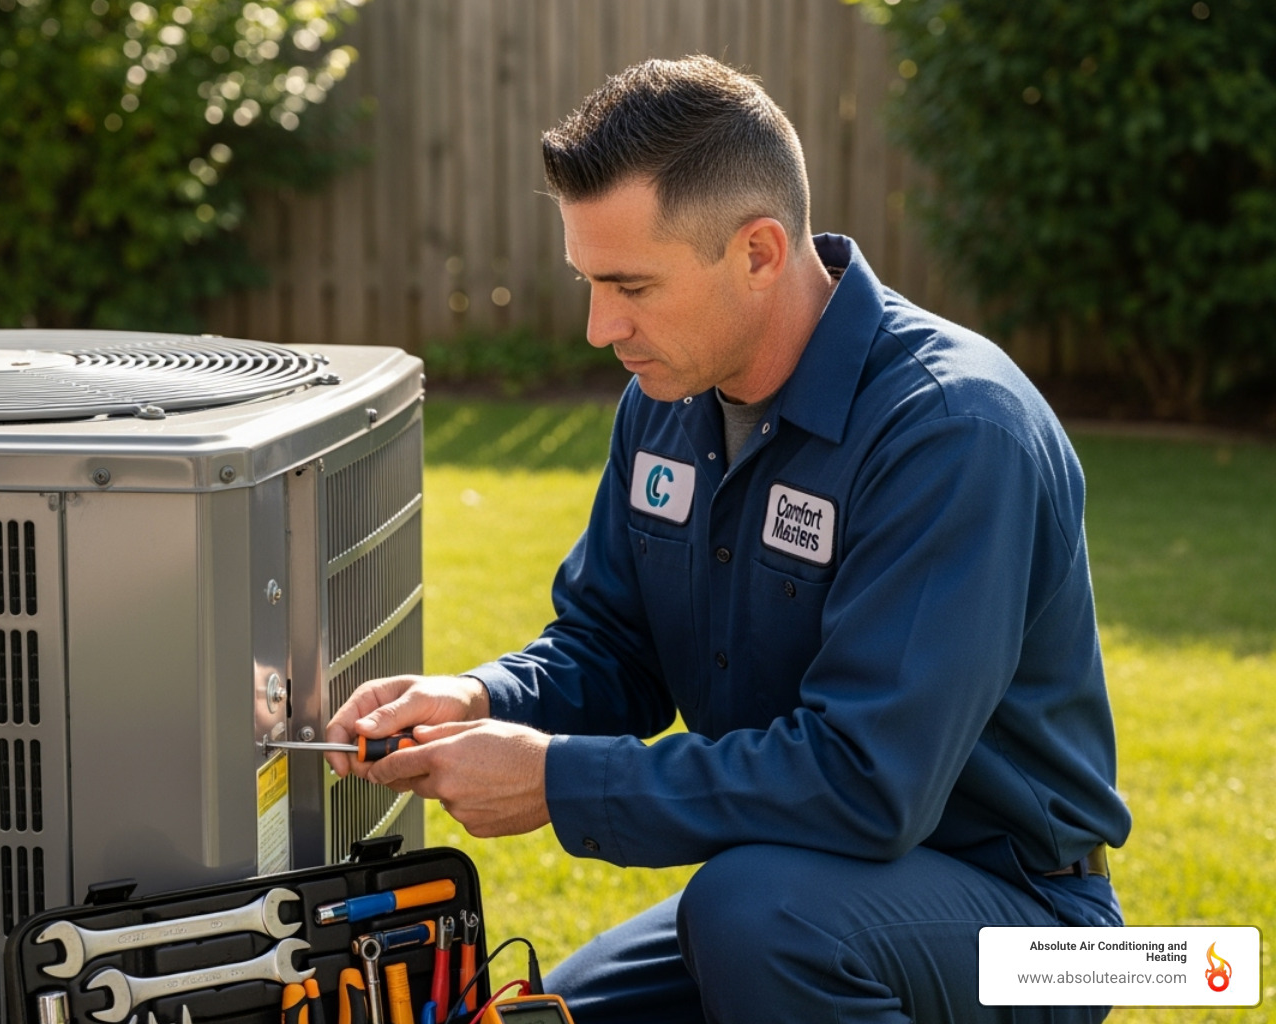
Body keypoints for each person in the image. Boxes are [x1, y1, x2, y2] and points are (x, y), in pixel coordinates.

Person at [325, 55, 1131, 1024]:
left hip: (1042, 928)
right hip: (813, 889)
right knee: (549, 1015)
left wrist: (557, 779)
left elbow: (868, 783)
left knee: (754, 916)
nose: (597, 326)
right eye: (587, 280)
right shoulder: (665, 404)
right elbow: (614, 646)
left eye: (630, 285)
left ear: (757, 251)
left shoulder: (952, 429)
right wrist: (482, 695)